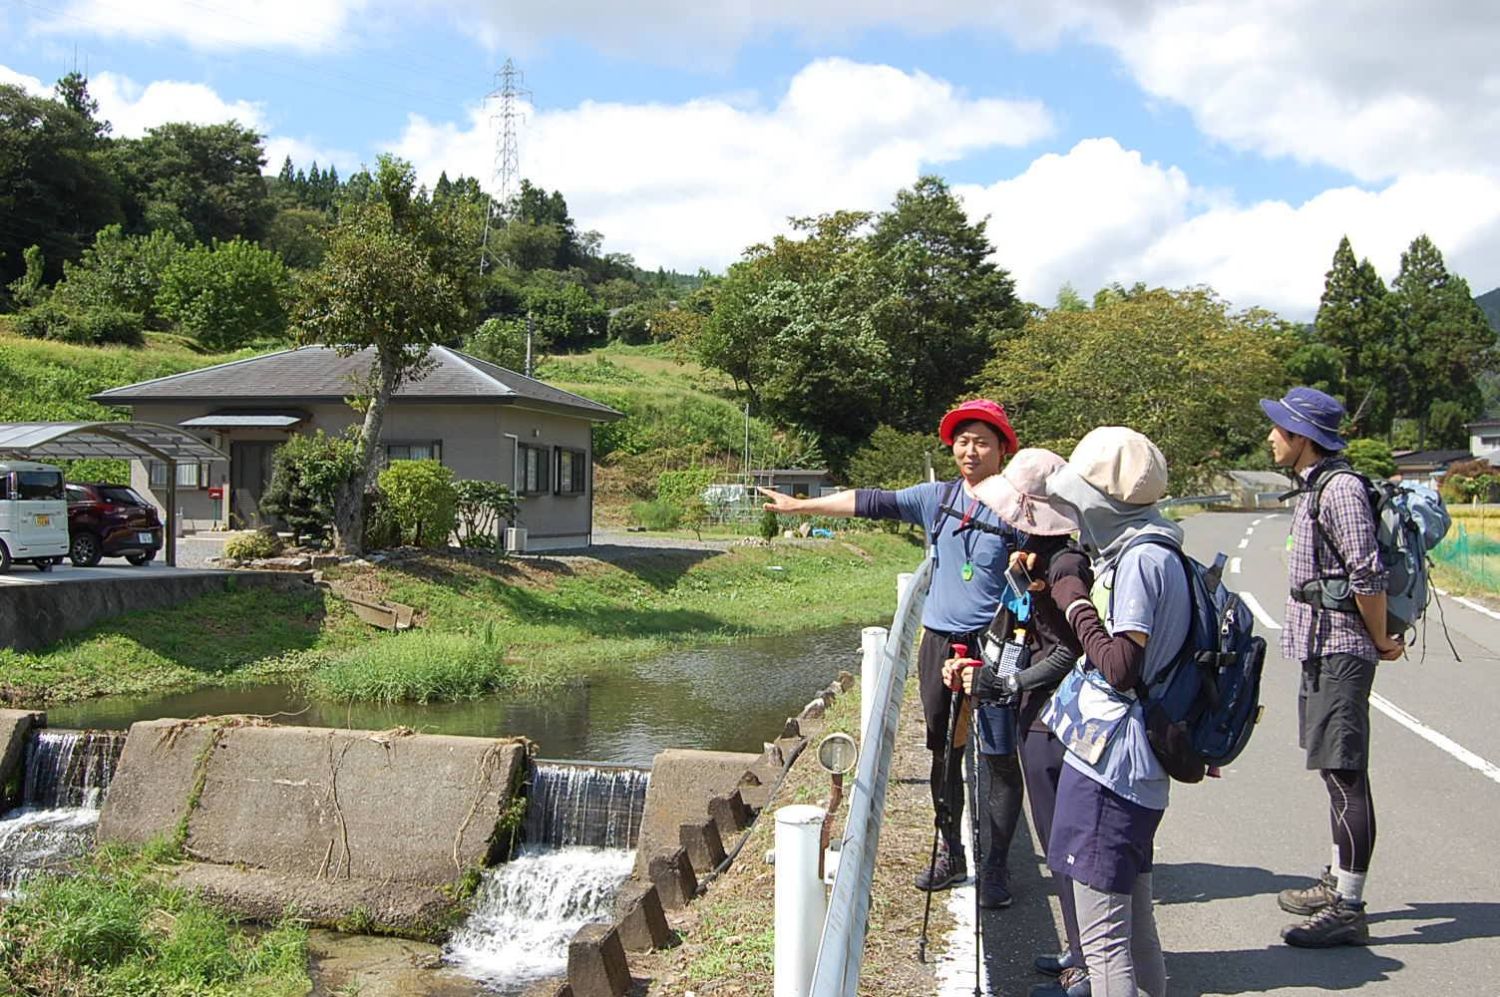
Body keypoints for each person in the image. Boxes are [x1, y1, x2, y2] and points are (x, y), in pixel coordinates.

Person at [759, 398, 1021, 901]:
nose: (970, 451)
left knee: (1001, 756)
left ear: (1002, 450)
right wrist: (800, 507)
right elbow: (871, 501)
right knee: (944, 752)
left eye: (983, 442)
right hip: (940, 642)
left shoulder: (1019, 507)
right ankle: (951, 852)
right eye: (963, 441)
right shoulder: (936, 498)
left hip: (996, 644)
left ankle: (997, 867)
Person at [1040, 426, 1188, 997]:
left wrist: (1075, 601)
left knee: (1103, 943)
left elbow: (1121, 665)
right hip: (1135, 763)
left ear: (1103, 502)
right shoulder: (1161, 546)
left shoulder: (1139, 561)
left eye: (1081, 501)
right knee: (1136, 923)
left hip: (1111, 766)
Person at [947, 448, 1094, 996]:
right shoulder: (1035, 558)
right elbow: (1020, 633)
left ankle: (1088, 965)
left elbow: (1070, 650)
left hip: (1057, 718)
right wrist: (988, 670)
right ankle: (1080, 951)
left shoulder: (1064, 567)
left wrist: (1009, 685)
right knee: (1058, 841)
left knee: (1063, 840)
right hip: (1038, 710)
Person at [1262, 387, 1402, 948]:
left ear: (1302, 437)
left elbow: (1366, 574)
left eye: (1278, 429)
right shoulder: (1315, 484)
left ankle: (1349, 906)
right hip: (1321, 647)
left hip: (1343, 647)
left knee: (1345, 774)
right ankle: (1339, 881)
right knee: (1332, 770)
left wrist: (1381, 639)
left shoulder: (1339, 489)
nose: (1270, 437)